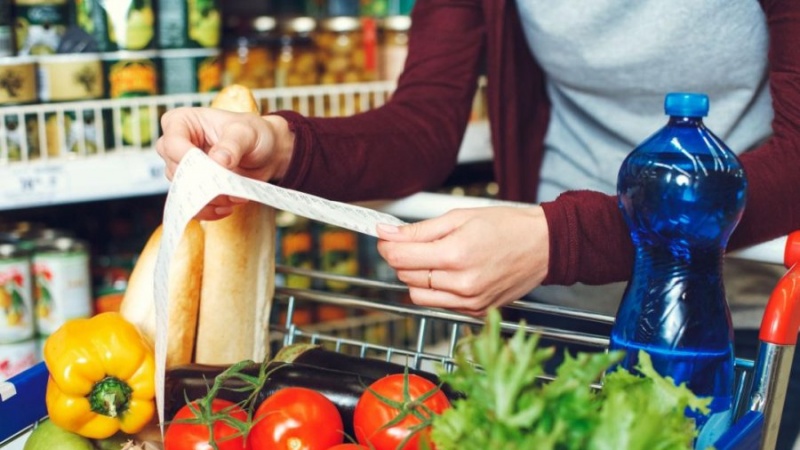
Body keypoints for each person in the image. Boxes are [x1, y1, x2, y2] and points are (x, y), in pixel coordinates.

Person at [156, 1, 800, 447]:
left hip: (728, 329)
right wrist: (281, 144)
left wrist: (562, 239)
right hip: (553, 321)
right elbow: (424, 123)